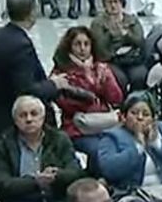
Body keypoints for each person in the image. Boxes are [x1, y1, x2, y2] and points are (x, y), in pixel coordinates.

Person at [0, 0, 56, 145]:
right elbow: (26, 89)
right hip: (14, 123)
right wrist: (54, 85)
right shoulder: (21, 45)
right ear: (32, 13)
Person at [52, 25, 127, 157]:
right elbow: (66, 104)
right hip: (76, 127)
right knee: (99, 150)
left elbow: (116, 99)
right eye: (77, 44)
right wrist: (90, 88)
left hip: (104, 122)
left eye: (86, 44)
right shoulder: (60, 72)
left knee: (122, 146)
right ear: (69, 46)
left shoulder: (100, 68)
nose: (82, 48)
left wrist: (106, 78)